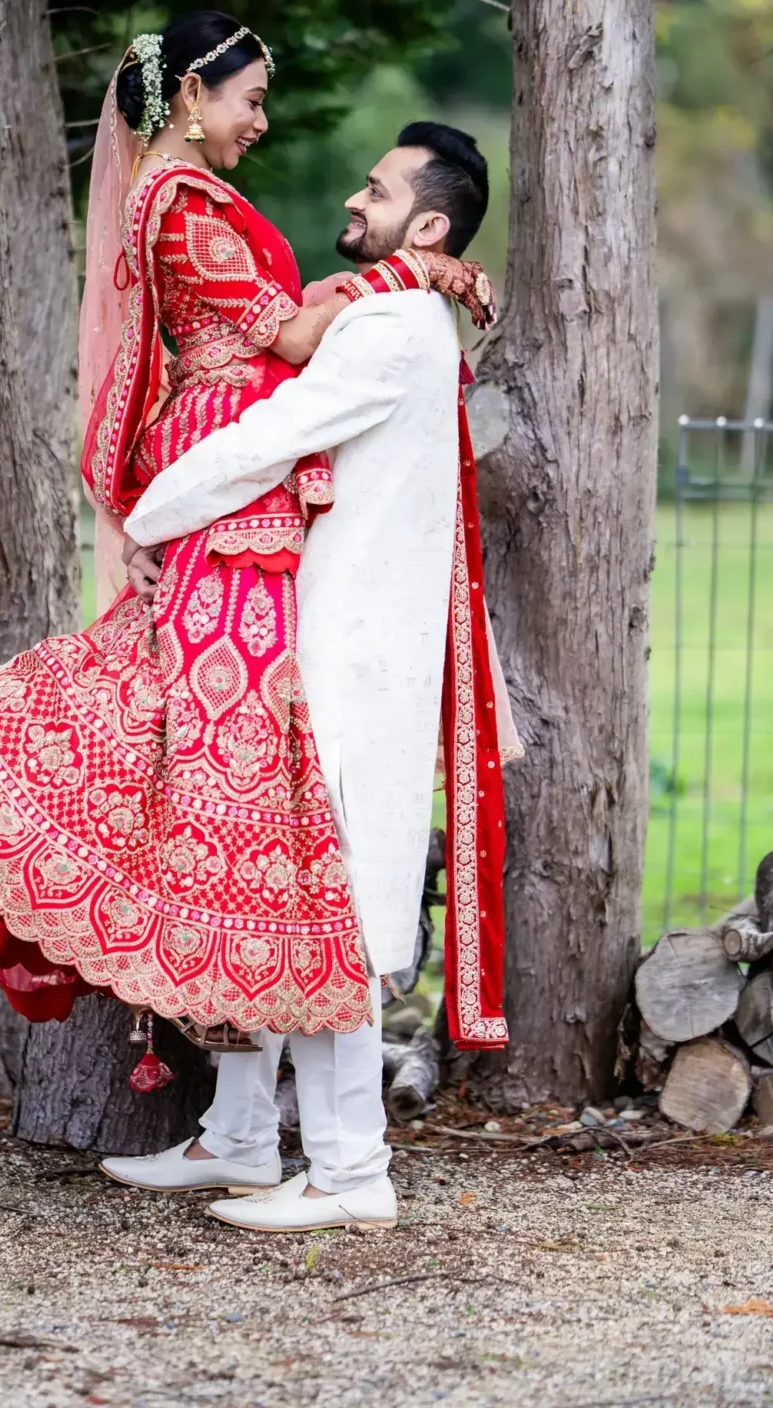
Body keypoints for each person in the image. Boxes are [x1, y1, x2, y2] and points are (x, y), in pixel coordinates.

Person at [0, 12, 498, 1073]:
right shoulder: (183, 201)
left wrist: (415, 278)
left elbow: (287, 319)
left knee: (196, 723)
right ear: (192, 96)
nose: (262, 121)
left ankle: (236, 1058)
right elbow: (285, 336)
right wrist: (416, 275)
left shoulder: (188, 197)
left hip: (242, 457)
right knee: (211, 730)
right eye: (249, 100)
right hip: (228, 458)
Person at [99, 122, 523, 1233]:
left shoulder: (390, 328)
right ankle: (241, 1137)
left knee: (332, 906)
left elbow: (271, 436)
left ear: (426, 226)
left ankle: (350, 1171)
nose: (354, 195)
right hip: (323, 637)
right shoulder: (398, 308)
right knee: (278, 888)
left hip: (356, 653)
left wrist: (142, 518)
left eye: (377, 190)